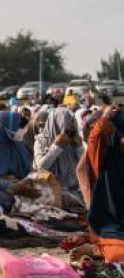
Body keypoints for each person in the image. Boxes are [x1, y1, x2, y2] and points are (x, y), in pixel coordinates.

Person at [69, 107, 124, 262]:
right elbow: (96, 137)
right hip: (112, 226)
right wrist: (106, 118)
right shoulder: (104, 160)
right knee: (118, 255)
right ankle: (97, 249)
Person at [0, 111, 40, 212]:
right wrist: (14, 186)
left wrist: (31, 179)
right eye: (17, 127)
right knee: (6, 200)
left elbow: (27, 167)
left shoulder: (17, 144)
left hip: (21, 184)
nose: (20, 130)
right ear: (3, 128)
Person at [34, 107, 86, 213]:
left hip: (74, 191)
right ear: (56, 122)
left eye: (72, 122)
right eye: (67, 123)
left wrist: (79, 147)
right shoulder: (41, 141)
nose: (70, 127)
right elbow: (41, 167)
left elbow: (85, 167)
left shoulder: (75, 140)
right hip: (52, 190)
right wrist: (56, 146)